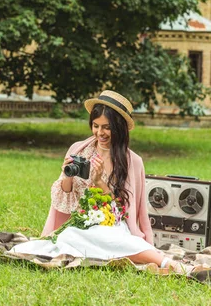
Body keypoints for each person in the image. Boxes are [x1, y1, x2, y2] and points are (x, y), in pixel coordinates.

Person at [11, 90, 187, 273]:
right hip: (80, 225)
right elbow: (63, 198)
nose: (99, 133)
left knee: (110, 239)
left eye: (107, 127)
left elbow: (124, 208)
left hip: (112, 225)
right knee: (69, 237)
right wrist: (67, 175)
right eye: (95, 126)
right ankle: (138, 255)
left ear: (119, 128)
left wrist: (99, 181)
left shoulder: (132, 161)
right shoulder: (78, 150)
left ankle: (165, 262)